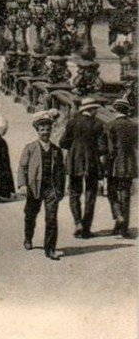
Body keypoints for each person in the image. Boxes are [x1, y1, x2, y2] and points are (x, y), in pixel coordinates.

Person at [18, 111, 66, 260]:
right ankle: (28, 238)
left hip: (51, 188)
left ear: (51, 130)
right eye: (42, 129)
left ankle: (50, 249)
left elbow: (61, 172)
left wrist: (60, 190)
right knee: (30, 215)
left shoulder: (56, 151)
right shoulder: (30, 148)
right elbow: (22, 167)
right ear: (38, 131)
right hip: (34, 188)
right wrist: (22, 185)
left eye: (48, 129)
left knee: (51, 218)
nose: (45, 132)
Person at [59, 97, 107, 239]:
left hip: (74, 162)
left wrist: (74, 147)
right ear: (90, 110)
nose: (96, 112)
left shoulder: (72, 123)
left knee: (74, 193)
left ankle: (77, 222)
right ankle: (86, 229)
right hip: (92, 162)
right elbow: (102, 148)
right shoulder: (97, 125)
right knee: (90, 195)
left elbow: (63, 142)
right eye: (95, 109)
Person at [105, 98, 137, 238]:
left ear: (115, 109)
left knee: (112, 192)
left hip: (114, 164)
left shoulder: (110, 125)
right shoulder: (134, 126)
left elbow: (109, 149)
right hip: (129, 163)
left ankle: (118, 216)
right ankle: (123, 228)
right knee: (125, 195)